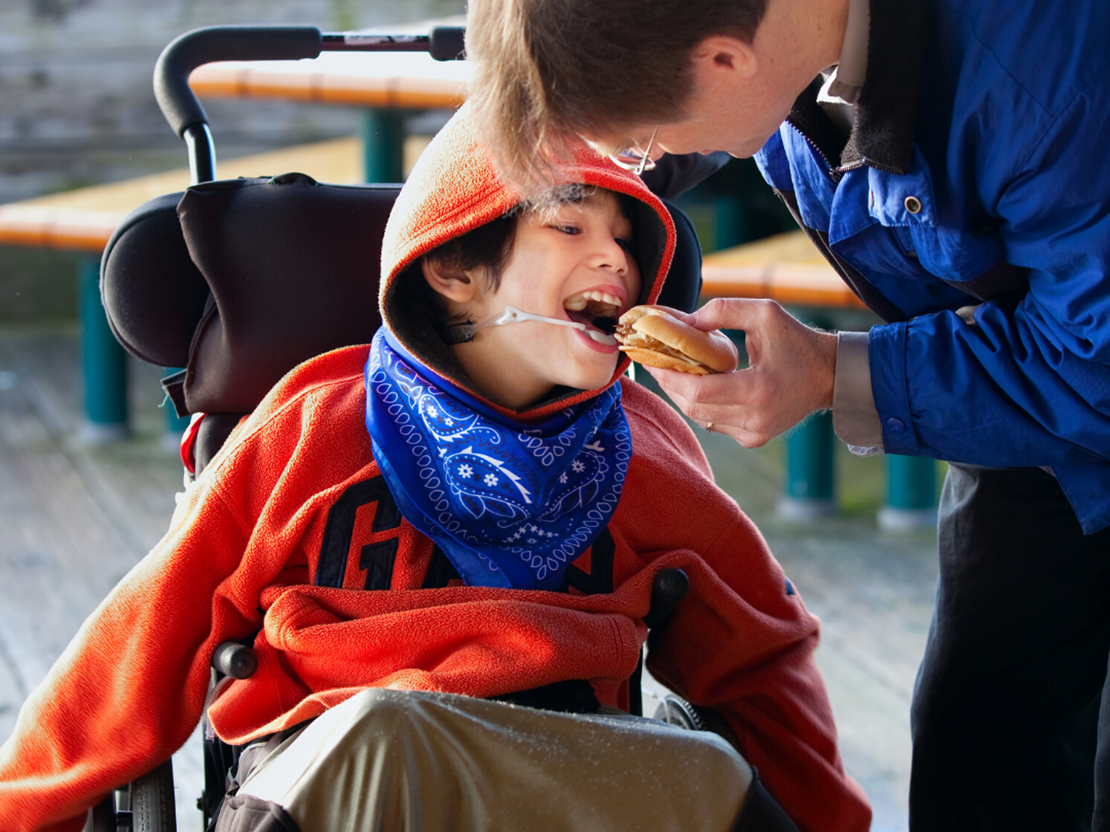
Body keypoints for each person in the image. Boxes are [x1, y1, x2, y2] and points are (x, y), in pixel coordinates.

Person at [0, 104, 870, 832]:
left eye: (628, 241)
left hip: (559, 765)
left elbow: (760, 651)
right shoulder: (316, 427)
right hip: (343, 772)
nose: (617, 260)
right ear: (455, 268)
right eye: (569, 224)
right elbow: (147, 631)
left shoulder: (642, 447)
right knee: (391, 732)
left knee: (706, 778)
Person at [464, 0, 1110, 828]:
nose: (646, 161)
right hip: (1027, 426)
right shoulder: (776, 38)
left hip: (1073, 366)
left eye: (645, 139)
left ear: (727, 63)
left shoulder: (1043, 81)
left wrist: (834, 374)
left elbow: (1093, 363)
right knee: (978, 749)